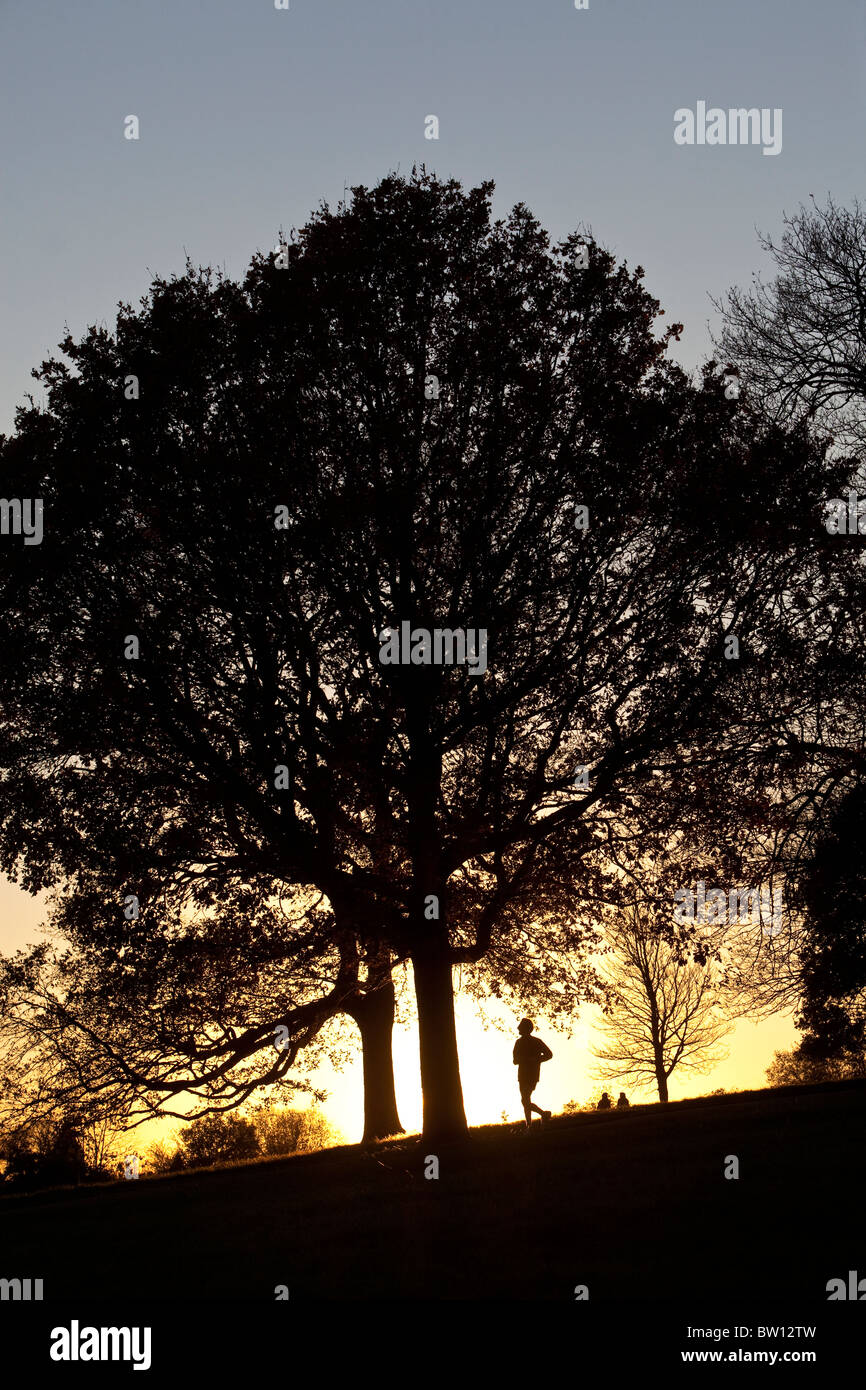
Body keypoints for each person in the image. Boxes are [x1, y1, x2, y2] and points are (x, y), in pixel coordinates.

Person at [513, 1019, 553, 1127]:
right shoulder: (518, 1042)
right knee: (525, 1101)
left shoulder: (536, 1041)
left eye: (520, 1026)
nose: (518, 1028)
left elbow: (549, 1054)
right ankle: (532, 1123)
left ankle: (538, 1118)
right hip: (522, 1075)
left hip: (532, 1074)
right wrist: (524, 1059)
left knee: (525, 1100)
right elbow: (515, 1061)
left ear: (526, 1028)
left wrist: (536, 1059)